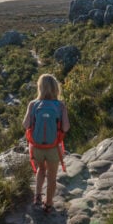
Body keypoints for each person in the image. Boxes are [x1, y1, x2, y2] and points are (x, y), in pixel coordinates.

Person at [23, 73, 70, 213]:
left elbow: (26, 125)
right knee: (52, 176)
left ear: (40, 88)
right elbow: (66, 128)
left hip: (37, 147)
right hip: (53, 148)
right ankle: (48, 204)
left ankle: (37, 196)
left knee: (41, 170)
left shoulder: (33, 104)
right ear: (56, 88)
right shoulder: (60, 105)